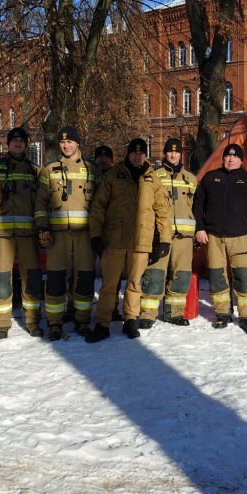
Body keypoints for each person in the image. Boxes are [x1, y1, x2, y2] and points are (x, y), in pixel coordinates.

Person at [86, 138, 172, 342]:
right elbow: (98, 207)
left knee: (134, 283)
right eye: (134, 153)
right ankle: (103, 323)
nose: (137, 157)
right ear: (128, 154)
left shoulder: (152, 178)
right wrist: (95, 235)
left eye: (141, 153)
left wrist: (164, 239)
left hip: (141, 240)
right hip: (114, 239)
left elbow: (162, 210)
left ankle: (131, 319)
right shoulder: (113, 175)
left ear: (145, 155)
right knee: (109, 284)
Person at [192, 142, 247, 336]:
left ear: (241, 160)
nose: (231, 159)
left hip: (241, 237)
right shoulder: (210, 178)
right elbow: (198, 205)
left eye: (235, 156)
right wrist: (200, 228)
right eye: (227, 156)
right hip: (214, 237)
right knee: (217, 277)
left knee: (244, 277)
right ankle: (222, 313)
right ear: (223, 158)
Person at [0, 127, 41, 339]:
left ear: (26, 144)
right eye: (14, 140)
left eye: (22, 141)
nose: (18, 143)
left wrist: (43, 229)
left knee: (32, 280)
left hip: (28, 236)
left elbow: (42, 203)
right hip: (2, 236)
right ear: (8, 144)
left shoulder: (35, 170)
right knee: (2, 280)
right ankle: (2, 324)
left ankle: (32, 321)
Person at [34, 126, 97, 341]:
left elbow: (100, 204)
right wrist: (42, 227)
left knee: (85, 278)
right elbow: (40, 202)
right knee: (55, 279)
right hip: (57, 235)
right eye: (62, 142)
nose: (66, 145)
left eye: (70, 141)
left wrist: (98, 233)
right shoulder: (49, 170)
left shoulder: (91, 169)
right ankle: (54, 323)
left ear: (78, 143)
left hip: (85, 235)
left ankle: (82, 320)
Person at [142, 137, 198, 326]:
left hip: (184, 238)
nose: (173, 155)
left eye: (176, 152)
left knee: (181, 276)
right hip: (159, 236)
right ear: (165, 153)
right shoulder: (154, 175)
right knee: (154, 275)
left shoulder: (191, 179)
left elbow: (196, 207)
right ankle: (147, 314)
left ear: (181, 154)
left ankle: (174, 313)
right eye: (169, 151)